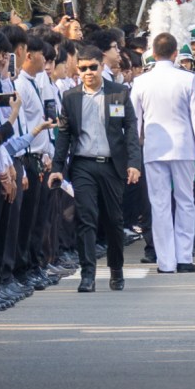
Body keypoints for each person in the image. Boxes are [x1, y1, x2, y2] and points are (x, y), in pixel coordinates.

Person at [49, 47, 140, 291]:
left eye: (92, 67)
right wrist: (57, 168)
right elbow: (64, 135)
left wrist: (134, 163)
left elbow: (130, 129)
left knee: (113, 219)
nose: (88, 72)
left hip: (112, 165)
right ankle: (87, 274)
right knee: (86, 217)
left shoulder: (118, 93)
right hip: (83, 165)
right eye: (83, 68)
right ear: (77, 70)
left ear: (101, 67)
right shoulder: (70, 97)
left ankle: (116, 270)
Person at [129, 33, 195, 275]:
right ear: (176, 54)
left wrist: (133, 153)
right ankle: (184, 257)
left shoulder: (141, 81)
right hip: (184, 146)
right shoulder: (187, 79)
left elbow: (134, 121)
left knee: (160, 204)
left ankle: (165, 262)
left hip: (154, 148)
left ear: (153, 54)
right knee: (186, 201)